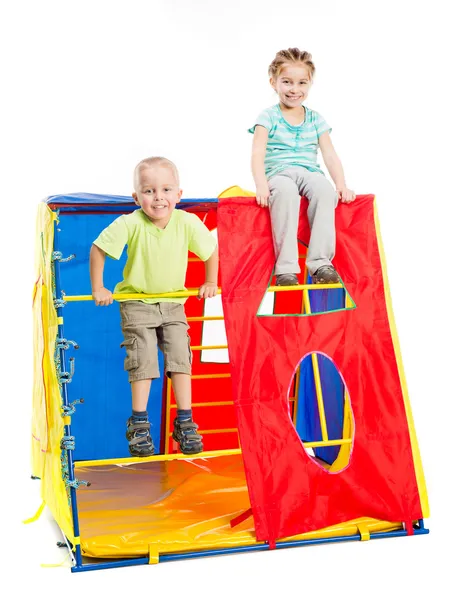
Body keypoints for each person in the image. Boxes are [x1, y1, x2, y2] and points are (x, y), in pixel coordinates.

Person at [89, 156, 218, 457]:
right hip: (137, 302)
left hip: (173, 303)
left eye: (166, 190)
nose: (158, 198)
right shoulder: (131, 223)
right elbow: (98, 248)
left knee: (180, 358)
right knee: (143, 359)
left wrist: (210, 281)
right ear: (137, 197)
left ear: (178, 195)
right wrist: (98, 288)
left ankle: (185, 421)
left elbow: (211, 251)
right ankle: (139, 423)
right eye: (149, 191)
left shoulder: (186, 222)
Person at [249, 48, 356, 286]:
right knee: (286, 194)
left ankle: (320, 263)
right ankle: (286, 269)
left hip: (309, 172)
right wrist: (261, 186)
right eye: (286, 82)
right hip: (279, 173)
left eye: (301, 83)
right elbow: (257, 153)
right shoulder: (268, 117)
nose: (294, 89)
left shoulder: (316, 119)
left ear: (309, 84)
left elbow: (329, 154)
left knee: (325, 191)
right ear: (273, 83)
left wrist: (341, 184)